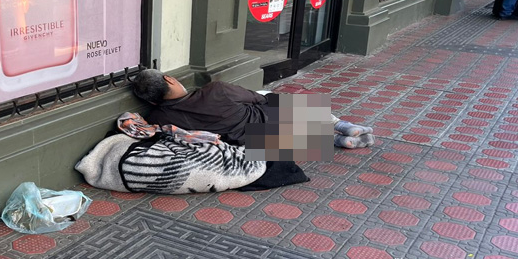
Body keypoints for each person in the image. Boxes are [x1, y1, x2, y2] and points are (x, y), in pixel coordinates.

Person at [131, 69, 374, 149]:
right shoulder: (216, 90)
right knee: (269, 97)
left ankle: (336, 140)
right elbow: (257, 99)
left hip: (249, 144)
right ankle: (341, 125)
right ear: (170, 79)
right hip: (265, 119)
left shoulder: (158, 116)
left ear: (152, 101)